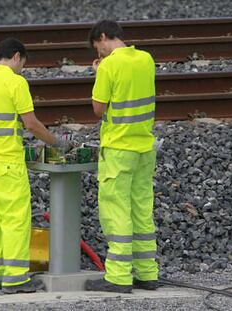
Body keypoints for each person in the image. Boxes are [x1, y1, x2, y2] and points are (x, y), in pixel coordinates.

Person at [0, 38, 66, 294]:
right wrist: (56, 143)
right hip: (7, 162)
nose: (22, 69)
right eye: (23, 64)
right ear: (17, 56)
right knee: (15, 220)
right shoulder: (15, 82)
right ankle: (15, 278)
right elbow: (31, 123)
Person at [85, 20, 158, 293]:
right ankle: (148, 273)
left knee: (117, 213)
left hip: (118, 149)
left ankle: (117, 277)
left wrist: (99, 73)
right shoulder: (146, 59)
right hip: (144, 148)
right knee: (141, 210)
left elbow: (98, 109)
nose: (99, 53)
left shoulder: (110, 65)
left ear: (103, 37)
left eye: (97, 47)